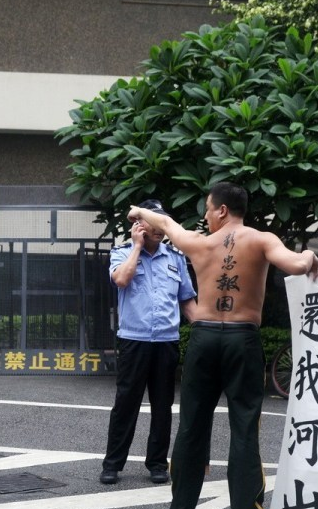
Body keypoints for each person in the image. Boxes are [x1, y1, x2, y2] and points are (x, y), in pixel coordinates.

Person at [127, 182, 318, 509]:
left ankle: (182, 505)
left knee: (191, 426)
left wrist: (138, 211)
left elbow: (166, 224)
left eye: (207, 208)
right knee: (244, 426)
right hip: (242, 340)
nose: (206, 216)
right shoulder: (262, 239)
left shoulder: (199, 243)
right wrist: (310, 256)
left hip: (203, 339)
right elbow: (297, 266)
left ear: (222, 209)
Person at [100, 199, 197, 486]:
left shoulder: (176, 257)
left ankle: (157, 464)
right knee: (126, 404)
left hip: (166, 342)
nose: (160, 228)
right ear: (140, 225)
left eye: (162, 222)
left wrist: (207, 329)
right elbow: (121, 280)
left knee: (163, 405)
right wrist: (137, 248)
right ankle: (112, 464)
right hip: (134, 341)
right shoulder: (122, 253)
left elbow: (187, 301)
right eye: (154, 222)